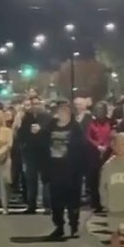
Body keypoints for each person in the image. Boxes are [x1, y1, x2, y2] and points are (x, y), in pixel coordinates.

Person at [44, 102, 87, 239]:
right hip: (55, 167)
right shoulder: (51, 125)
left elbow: (81, 148)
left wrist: (79, 168)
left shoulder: (75, 127)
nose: (61, 113)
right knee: (56, 200)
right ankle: (59, 226)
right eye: (60, 111)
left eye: (64, 111)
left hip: (71, 169)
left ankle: (74, 226)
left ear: (70, 114)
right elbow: (43, 141)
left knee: (72, 200)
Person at [86, 102, 114, 214]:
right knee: (95, 179)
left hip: (108, 153)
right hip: (94, 154)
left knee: (107, 179)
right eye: (97, 110)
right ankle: (96, 203)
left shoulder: (111, 122)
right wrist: (97, 145)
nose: (99, 112)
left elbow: (112, 136)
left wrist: (106, 146)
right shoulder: (91, 123)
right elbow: (88, 136)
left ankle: (108, 202)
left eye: (101, 110)